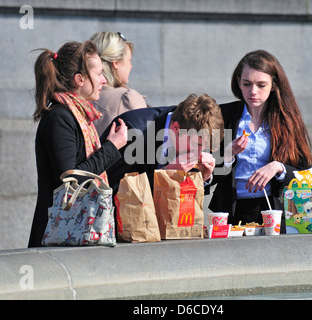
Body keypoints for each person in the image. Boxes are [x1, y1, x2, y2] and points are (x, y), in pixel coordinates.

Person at [28, 41, 128, 247]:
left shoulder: (79, 115)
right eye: (99, 73)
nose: (103, 80)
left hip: (78, 232)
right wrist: (112, 146)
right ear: (79, 79)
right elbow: (71, 179)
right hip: (58, 235)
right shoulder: (59, 118)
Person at [209, 50, 312, 227]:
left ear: (273, 85)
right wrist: (228, 155)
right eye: (247, 84)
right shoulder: (223, 115)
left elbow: (311, 176)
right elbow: (206, 176)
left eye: (261, 85)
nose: (253, 92)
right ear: (238, 83)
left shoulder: (287, 120)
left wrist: (279, 168)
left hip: (276, 210)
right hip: (231, 211)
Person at [101, 93, 224, 193]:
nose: (198, 153)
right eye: (196, 145)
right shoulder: (134, 132)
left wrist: (202, 178)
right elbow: (108, 188)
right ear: (176, 128)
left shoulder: (190, 131)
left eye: (203, 147)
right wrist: (165, 174)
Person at [90, 31, 148, 136]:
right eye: (129, 60)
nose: (131, 66)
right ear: (116, 63)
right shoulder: (127, 99)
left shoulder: (82, 95)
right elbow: (146, 146)